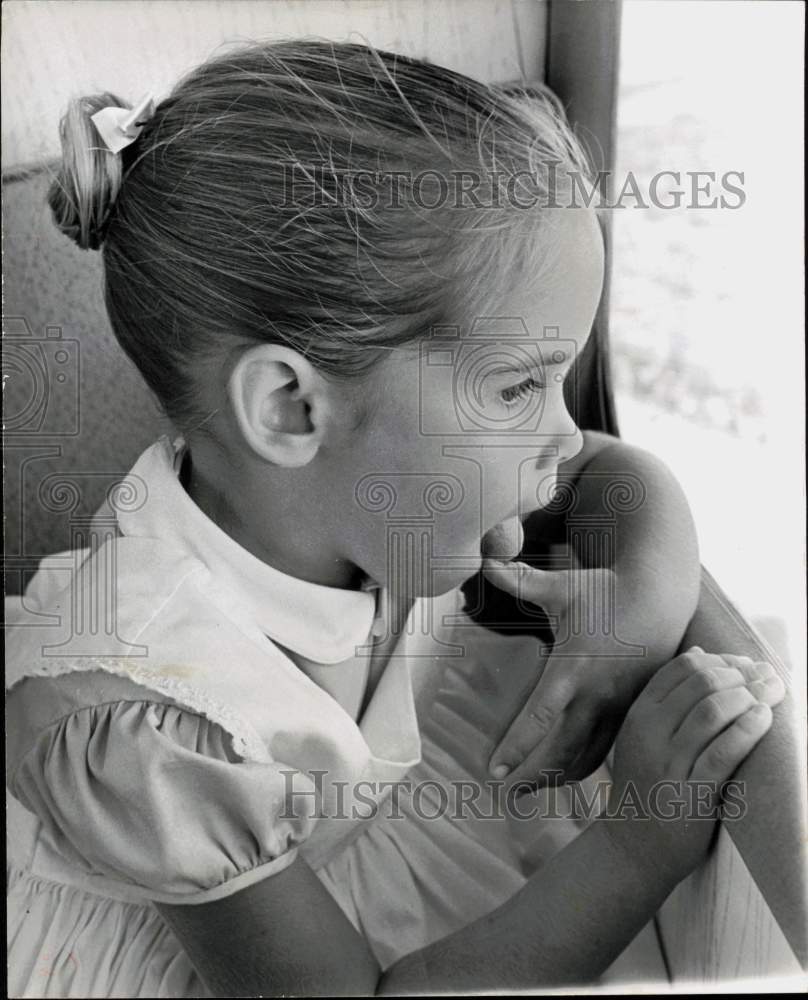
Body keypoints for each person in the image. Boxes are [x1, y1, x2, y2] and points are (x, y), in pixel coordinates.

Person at [6, 39, 785, 997]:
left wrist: (645, 605)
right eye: (518, 387)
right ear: (290, 409)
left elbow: (613, 477)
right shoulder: (151, 726)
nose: (564, 435)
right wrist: (639, 844)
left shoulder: (365, 486)